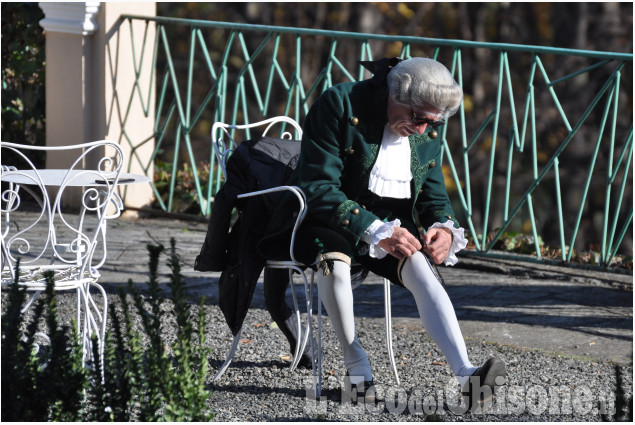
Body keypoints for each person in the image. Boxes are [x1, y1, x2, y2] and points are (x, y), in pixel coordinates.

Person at [259, 57, 506, 407]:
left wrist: (444, 227)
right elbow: (317, 187)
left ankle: (466, 373)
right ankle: (355, 366)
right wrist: (372, 229)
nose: (423, 130)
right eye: (418, 118)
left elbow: (433, 191)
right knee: (335, 265)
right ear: (395, 94)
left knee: (420, 266)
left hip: (388, 221)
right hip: (322, 217)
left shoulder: (426, 127)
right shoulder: (339, 103)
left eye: (432, 122)